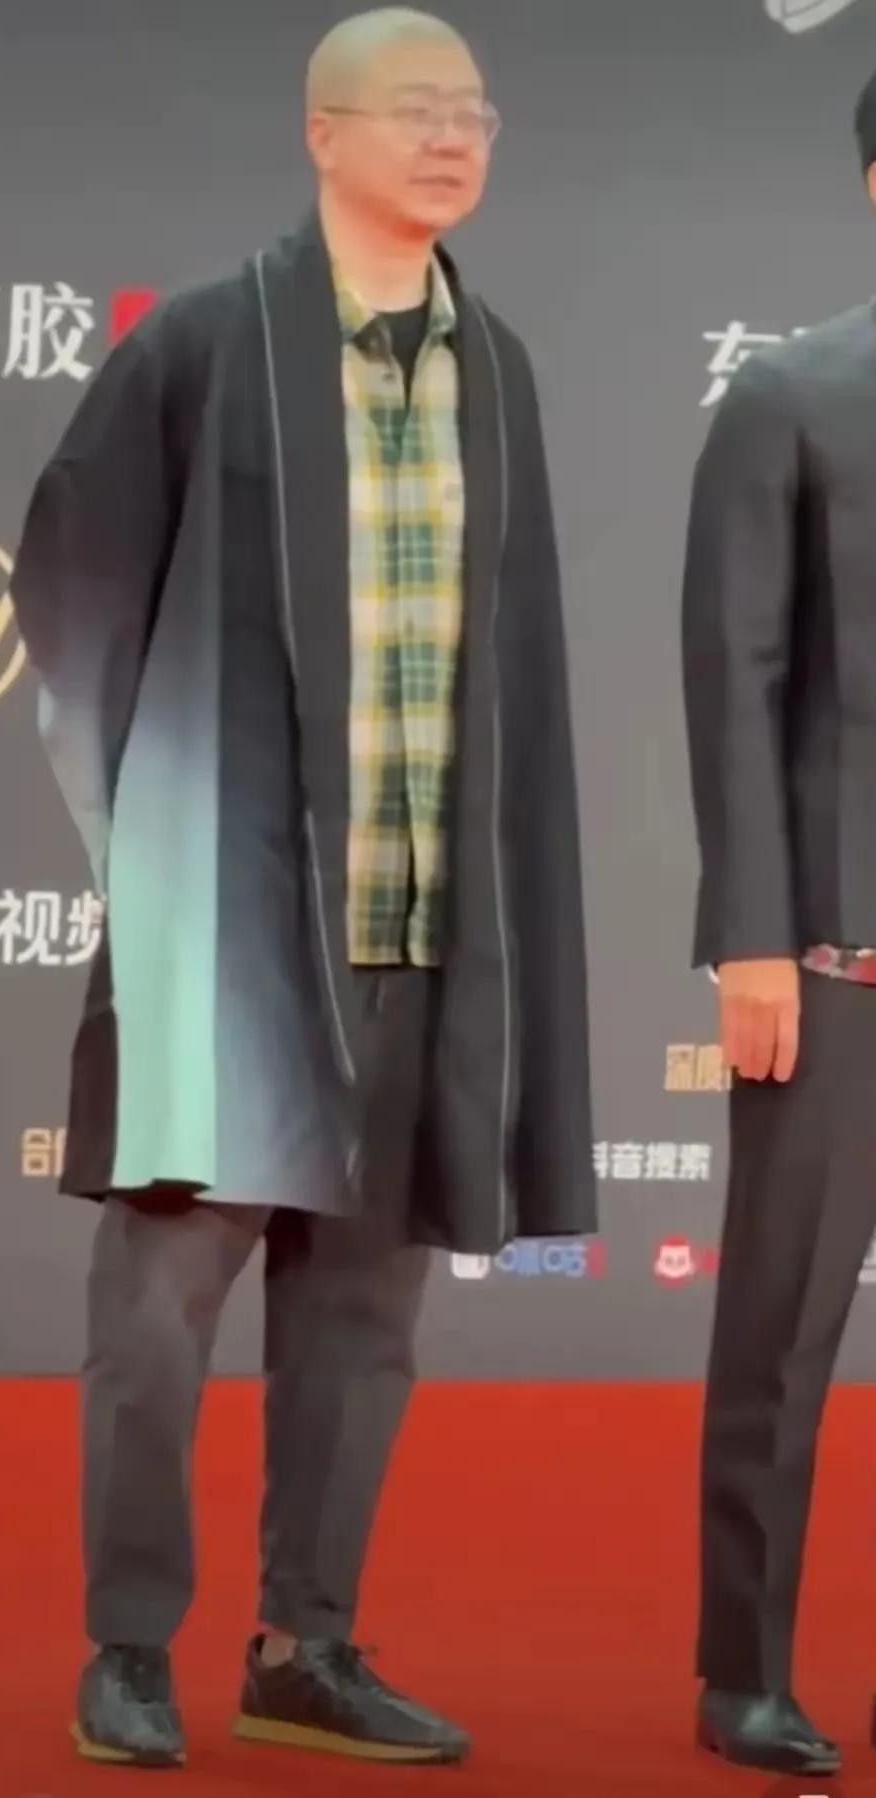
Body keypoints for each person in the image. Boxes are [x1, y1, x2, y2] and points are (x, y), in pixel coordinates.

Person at [10, 5, 594, 1771]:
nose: (453, 136)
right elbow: (72, 590)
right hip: (232, 932)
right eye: (416, 109)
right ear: (321, 133)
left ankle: (306, 1646)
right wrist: (156, 845)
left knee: (361, 1326)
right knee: (157, 1315)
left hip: (422, 927)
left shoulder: (499, 368)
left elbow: (516, 668)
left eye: (473, 111)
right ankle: (128, 1644)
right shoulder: (205, 342)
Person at [682, 69, 876, 1782]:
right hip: (836, 961)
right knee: (781, 1332)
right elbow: (733, 679)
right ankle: (742, 1671)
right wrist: (753, 933)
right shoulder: (792, 394)